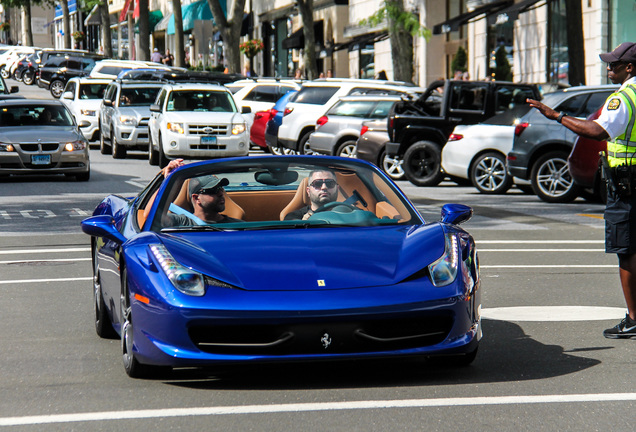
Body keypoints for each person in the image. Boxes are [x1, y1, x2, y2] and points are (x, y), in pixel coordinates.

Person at [527, 42, 636, 339]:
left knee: (626, 251)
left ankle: (633, 318)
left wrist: (557, 117)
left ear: (630, 68)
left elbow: (598, 131)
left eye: (614, 65)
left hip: (627, 186)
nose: (608, 69)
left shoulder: (625, 97)